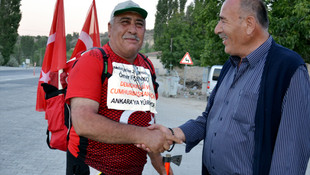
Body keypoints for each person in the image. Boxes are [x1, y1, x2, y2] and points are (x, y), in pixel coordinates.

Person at [143, 0, 310, 174]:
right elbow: (211, 119)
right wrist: (174, 132)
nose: (217, 29)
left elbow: (290, 157)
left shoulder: (288, 69)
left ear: (249, 24)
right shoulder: (229, 66)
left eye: (223, 21)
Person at [65, 1, 180, 175]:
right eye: (125, 21)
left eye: (139, 24)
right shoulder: (93, 60)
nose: (133, 30)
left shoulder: (147, 66)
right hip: (92, 167)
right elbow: (83, 123)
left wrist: (166, 172)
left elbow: (149, 127)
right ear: (110, 29)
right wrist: (142, 135)